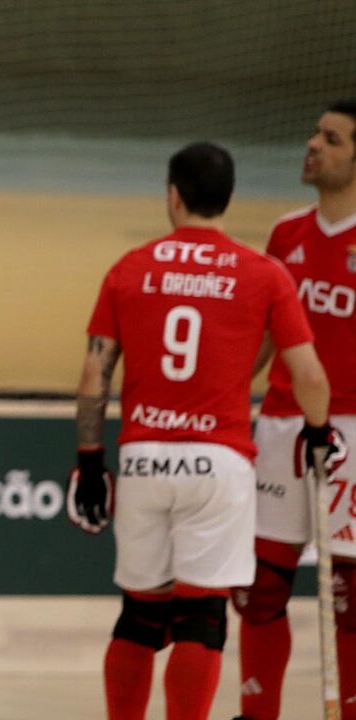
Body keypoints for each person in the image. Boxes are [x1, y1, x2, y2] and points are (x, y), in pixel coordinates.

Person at [68, 141, 337, 720]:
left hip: (143, 459)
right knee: (202, 618)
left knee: (139, 616)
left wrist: (89, 461)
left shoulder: (130, 267)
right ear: (228, 199)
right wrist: (318, 434)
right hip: (219, 465)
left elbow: (95, 374)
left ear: (173, 196)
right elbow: (310, 376)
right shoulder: (264, 273)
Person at [234, 99, 356, 720]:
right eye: (315, 133)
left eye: (331, 139)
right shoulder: (285, 234)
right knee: (261, 589)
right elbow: (260, 340)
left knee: (349, 598)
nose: (313, 145)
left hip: (354, 435)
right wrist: (225, 397)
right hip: (281, 426)